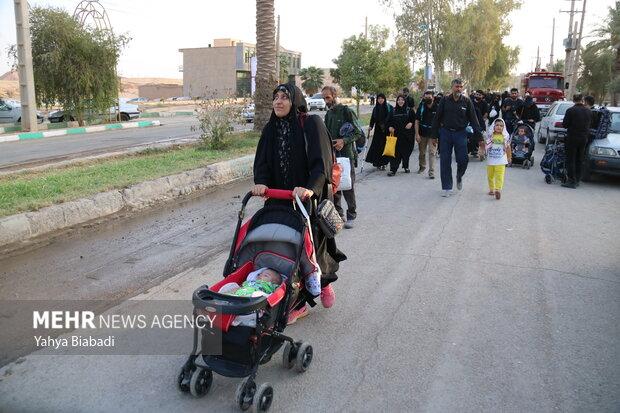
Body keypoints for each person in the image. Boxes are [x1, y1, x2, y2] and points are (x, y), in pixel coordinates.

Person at [252, 83, 346, 320]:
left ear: (295, 101)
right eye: (276, 97)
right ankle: (294, 297)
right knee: (282, 248)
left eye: (284, 97)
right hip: (279, 201)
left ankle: (321, 286)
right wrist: (262, 183)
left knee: (313, 246)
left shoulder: (311, 123)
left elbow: (321, 163)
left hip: (308, 200)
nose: (278, 102)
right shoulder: (270, 129)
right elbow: (261, 162)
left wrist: (309, 189)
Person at [431, 79, 481, 197]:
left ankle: (459, 175)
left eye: (460, 87)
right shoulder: (444, 100)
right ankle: (447, 187)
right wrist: (434, 136)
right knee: (445, 160)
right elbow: (437, 118)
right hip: (446, 133)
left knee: (463, 159)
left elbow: (474, 120)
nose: (458, 88)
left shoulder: (467, 102)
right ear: (452, 87)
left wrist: (480, 138)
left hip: (460, 133)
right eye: (456, 86)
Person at [322, 85, 363, 229]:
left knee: (348, 187)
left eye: (327, 97)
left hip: (347, 156)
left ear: (334, 95)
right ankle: (339, 215)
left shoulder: (347, 112)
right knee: (335, 188)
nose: (326, 101)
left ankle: (351, 214)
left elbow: (358, 133)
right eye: (324, 98)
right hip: (333, 157)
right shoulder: (328, 115)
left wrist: (343, 141)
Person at [561, 94, 592, 189]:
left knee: (571, 159)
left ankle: (571, 180)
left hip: (572, 137)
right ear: (582, 100)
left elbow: (565, 124)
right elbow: (591, 123)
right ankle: (578, 179)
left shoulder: (570, 110)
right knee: (579, 159)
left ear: (574, 100)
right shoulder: (588, 111)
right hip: (583, 138)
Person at [386, 95, 416, 175]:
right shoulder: (393, 110)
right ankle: (393, 169)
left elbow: (414, 119)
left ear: (405, 101)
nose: (400, 101)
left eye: (402, 100)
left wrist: (411, 123)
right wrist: (390, 126)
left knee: (406, 152)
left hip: (407, 136)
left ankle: (406, 166)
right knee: (395, 152)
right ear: (397, 101)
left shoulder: (409, 110)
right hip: (396, 135)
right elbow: (389, 121)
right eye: (399, 100)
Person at [485, 119, 511, 200]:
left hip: (501, 161)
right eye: (497, 125)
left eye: (501, 125)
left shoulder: (505, 137)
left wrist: (509, 157)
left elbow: (508, 148)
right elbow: (485, 145)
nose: (499, 127)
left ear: (504, 127)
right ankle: (492, 189)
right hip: (491, 161)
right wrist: (481, 151)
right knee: (490, 176)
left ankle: (498, 189)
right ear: (493, 126)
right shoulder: (490, 136)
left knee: (499, 176)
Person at [365, 93, 393, 170]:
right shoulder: (375, 108)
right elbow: (373, 119)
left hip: (386, 130)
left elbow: (392, 118)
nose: (380, 100)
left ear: (384, 99)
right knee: (377, 146)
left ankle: (384, 163)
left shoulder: (389, 107)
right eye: (379, 98)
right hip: (378, 130)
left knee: (384, 146)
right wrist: (371, 126)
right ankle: (377, 163)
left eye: (382, 98)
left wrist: (391, 126)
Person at [415, 90, 438, 178]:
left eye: (429, 97)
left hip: (433, 134)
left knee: (432, 153)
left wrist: (438, 135)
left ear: (433, 98)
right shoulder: (421, 107)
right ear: (424, 97)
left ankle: (431, 172)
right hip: (422, 133)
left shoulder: (437, 107)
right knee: (422, 153)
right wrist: (417, 134)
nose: (427, 99)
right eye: (426, 97)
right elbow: (417, 121)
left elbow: (440, 122)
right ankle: (422, 166)